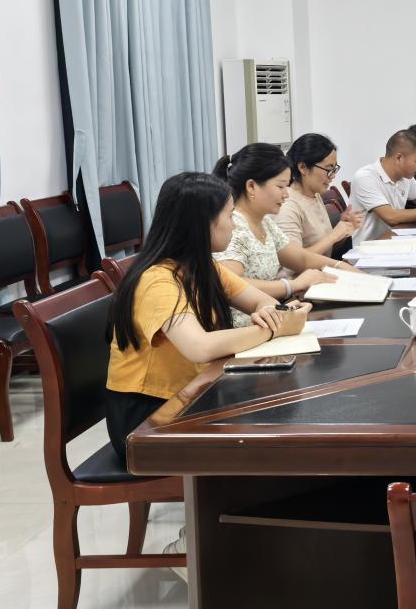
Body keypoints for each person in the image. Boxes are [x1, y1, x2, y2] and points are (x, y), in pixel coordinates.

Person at [105, 171, 310, 460]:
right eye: (229, 215)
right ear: (203, 223)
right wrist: (274, 328)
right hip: (148, 417)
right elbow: (199, 347)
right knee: (272, 441)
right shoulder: (157, 280)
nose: (234, 224)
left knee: (279, 417)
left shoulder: (203, 266)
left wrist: (276, 314)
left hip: (192, 393)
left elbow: (262, 301)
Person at [213, 143, 357, 326]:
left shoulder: (265, 222)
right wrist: (292, 285)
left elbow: (300, 258)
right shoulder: (234, 227)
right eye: (280, 186)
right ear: (251, 186)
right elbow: (231, 284)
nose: (286, 195)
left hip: (270, 319)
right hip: (247, 328)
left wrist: (339, 266)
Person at [276, 133, 363, 258]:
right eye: (329, 169)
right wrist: (334, 235)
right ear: (303, 167)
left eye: (334, 169)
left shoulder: (314, 195)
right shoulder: (287, 205)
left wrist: (343, 230)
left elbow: (326, 250)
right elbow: (294, 261)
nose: (333, 175)